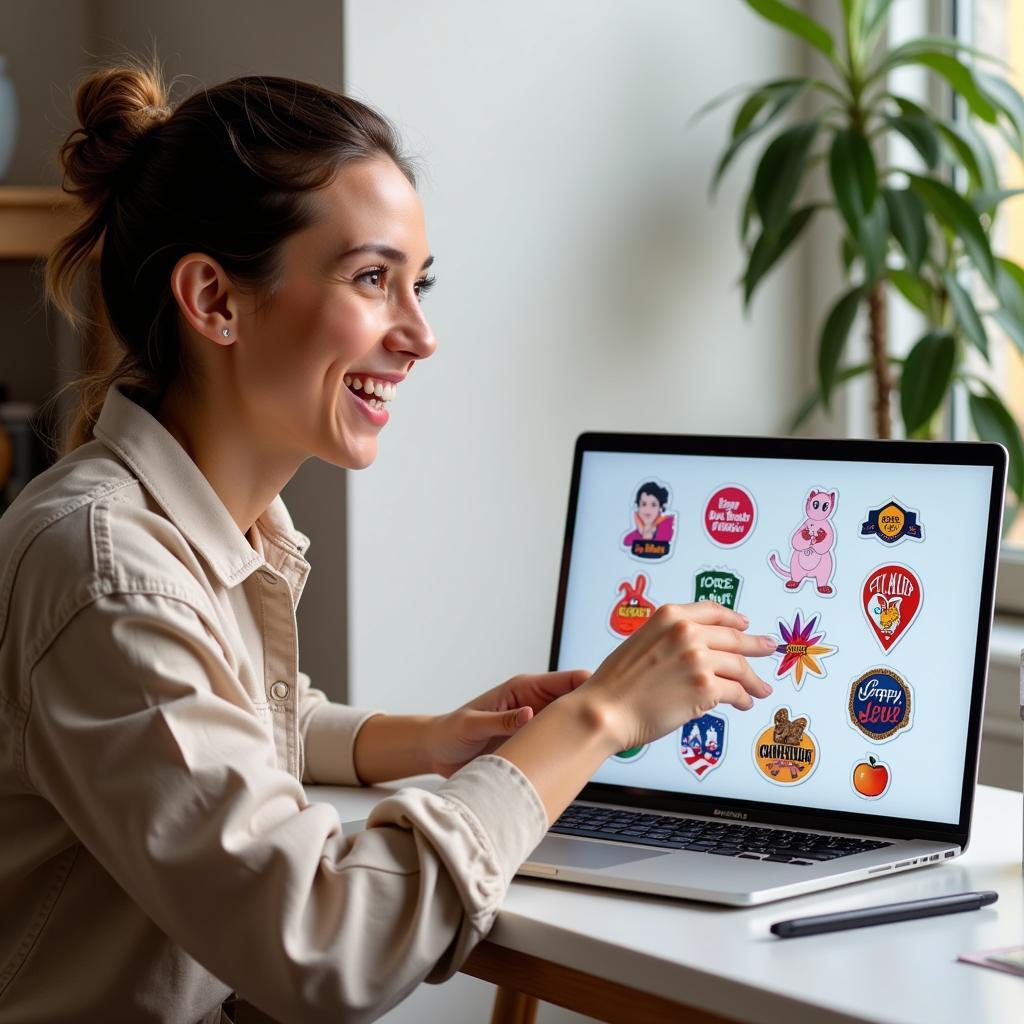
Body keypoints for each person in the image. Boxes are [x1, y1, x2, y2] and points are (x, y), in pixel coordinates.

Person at [0, 58, 776, 1024]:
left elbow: (220, 720)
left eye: (420, 284)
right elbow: (328, 947)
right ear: (214, 300)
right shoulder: (109, 571)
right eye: (373, 279)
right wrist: (600, 719)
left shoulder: (194, 528)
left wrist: (440, 740)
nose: (421, 334)